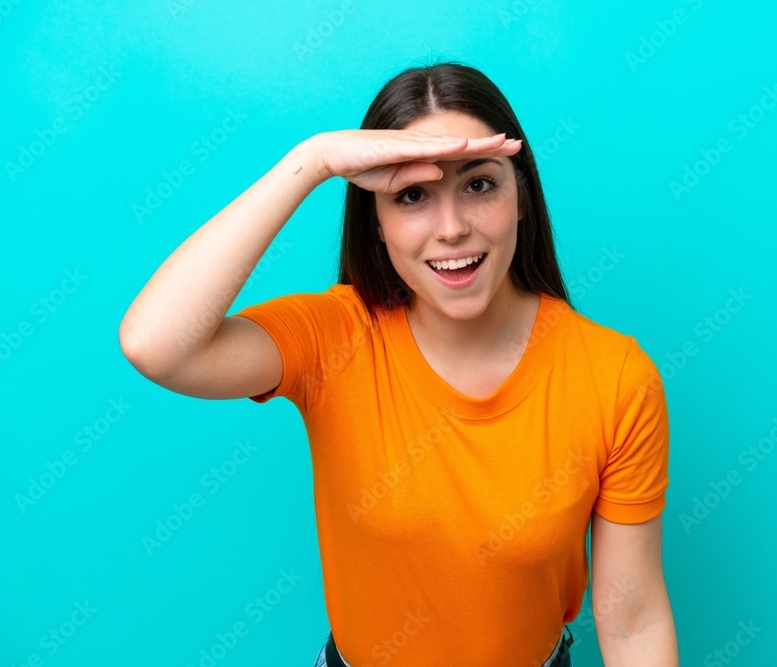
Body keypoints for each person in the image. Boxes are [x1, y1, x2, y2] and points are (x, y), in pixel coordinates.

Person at [119, 60, 678, 666]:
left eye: (479, 184)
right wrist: (312, 162)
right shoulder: (335, 336)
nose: (451, 228)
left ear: (521, 197)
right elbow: (155, 344)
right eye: (411, 195)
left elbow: (634, 621)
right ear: (377, 224)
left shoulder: (615, 378)